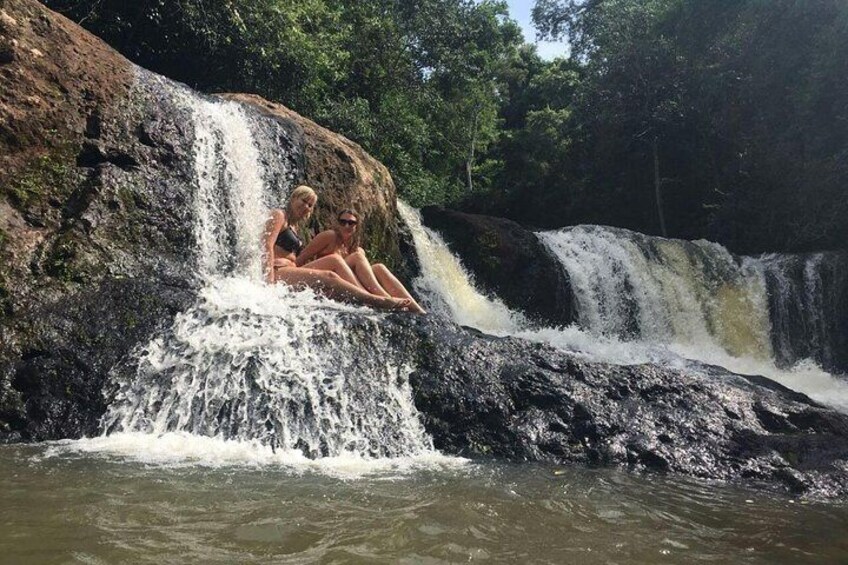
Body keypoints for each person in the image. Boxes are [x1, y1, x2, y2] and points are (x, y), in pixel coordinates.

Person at [263, 186, 416, 312]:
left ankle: (411, 307)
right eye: (304, 201)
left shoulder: (294, 226)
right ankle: (376, 300)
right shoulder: (279, 215)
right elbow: (267, 245)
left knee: (336, 260)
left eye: (310, 205)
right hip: (278, 271)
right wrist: (268, 281)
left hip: (292, 269)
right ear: (293, 198)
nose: (306, 207)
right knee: (329, 274)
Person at [296, 208, 426, 314]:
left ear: (357, 226)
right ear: (337, 223)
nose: (346, 225)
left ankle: (417, 310)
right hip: (327, 283)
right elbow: (301, 259)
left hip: (348, 288)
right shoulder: (329, 236)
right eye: (342, 222)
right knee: (356, 257)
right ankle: (383, 299)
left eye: (351, 223)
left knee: (378, 267)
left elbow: (363, 275)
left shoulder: (354, 247)